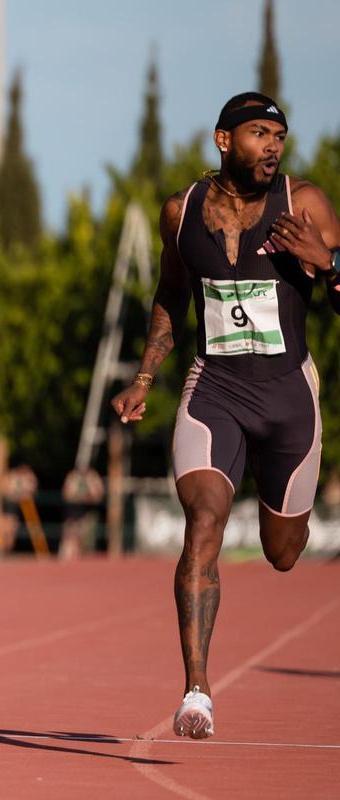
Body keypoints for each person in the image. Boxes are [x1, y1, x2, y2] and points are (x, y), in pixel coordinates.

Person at [111, 93, 340, 740]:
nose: (272, 146)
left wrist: (328, 266)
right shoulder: (180, 213)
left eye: (279, 135)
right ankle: (197, 691)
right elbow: (170, 294)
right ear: (222, 139)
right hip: (216, 391)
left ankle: (279, 507)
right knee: (204, 519)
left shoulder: (306, 203)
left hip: (290, 398)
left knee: (284, 553)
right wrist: (146, 376)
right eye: (259, 133)